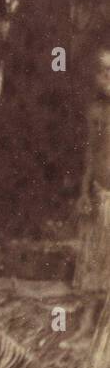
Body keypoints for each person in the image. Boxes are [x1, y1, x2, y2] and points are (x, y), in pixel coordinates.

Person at [75, 40, 110, 290]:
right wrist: (84, 191)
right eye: (103, 71)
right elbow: (90, 151)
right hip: (100, 191)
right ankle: (90, 316)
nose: (107, 76)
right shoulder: (96, 111)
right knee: (94, 258)